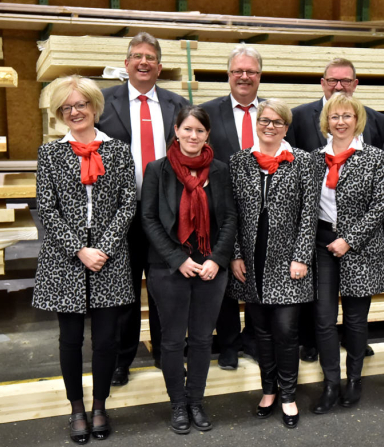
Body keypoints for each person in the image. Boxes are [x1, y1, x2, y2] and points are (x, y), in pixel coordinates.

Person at [33, 75, 136, 444]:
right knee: (70, 338)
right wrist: (79, 249)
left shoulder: (119, 151)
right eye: (66, 107)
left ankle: (99, 406)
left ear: (94, 106)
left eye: (80, 104)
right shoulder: (50, 153)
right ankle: (76, 408)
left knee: (107, 339)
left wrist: (104, 248)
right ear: (60, 114)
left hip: (109, 255)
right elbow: (46, 207)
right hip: (67, 256)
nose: (74, 112)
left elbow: (128, 204)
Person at [96, 32, 190, 384]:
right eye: (137, 55)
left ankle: (167, 355)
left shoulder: (177, 105)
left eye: (150, 57)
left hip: (166, 213)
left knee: (167, 286)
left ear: (159, 66)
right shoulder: (104, 103)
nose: (144, 62)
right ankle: (123, 358)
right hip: (121, 212)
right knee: (125, 288)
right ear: (127, 63)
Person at [285, 57, 384, 362]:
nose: (339, 86)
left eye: (345, 81)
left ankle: (354, 356)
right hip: (319, 236)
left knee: (356, 313)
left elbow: (383, 196)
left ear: (355, 85)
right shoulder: (300, 117)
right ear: (323, 82)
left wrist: (382, 242)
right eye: (333, 80)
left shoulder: (375, 121)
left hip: (361, 240)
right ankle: (315, 345)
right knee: (321, 306)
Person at [141, 105, 238, 434]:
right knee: (171, 342)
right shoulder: (158, 169)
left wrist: (217, 259)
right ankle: (178, 404)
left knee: (200, 340)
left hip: (211, 268)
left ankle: (196, 401)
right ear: (176, 130)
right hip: (168, 268)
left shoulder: (220, 171)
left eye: (199, 130)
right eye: (187, 129)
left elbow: (229, 220)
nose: (193, 136)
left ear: (207, 134)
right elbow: (149, 219)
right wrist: (176, 258)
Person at [228, 98, 319, 429]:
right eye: (265, 120)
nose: (270, 127)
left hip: (288, 261)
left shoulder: (303, 161)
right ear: (256, 122)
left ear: (286, 126)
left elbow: (310, 213)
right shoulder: (239, 161)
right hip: (251, 261)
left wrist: (301, 257)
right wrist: (236, 254)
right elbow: (232, 214)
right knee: (261, 331)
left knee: (285, 331)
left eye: (277, 122)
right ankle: (268, 390)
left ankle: (288, 396)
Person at [310, 93, 384, 414]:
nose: (340, 122)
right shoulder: (314, 159)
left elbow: (381, 205)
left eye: (347, 116)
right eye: (334, 116)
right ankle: (331, 382)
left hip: (360, 245)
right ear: (325, 121)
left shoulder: (374, 158)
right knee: (324, 319)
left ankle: (354, 379)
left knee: (356, 320)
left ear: (357, 119)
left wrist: (349, 239)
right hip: (322, 243)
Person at [200, 45, 265, 369]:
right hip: (220, 209)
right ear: (228, 75)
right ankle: (227, 342)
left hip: (262, 212)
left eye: (250, 71)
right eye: (238, 71)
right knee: (223, 275)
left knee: (257, 273)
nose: (244, 76)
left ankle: (253, 337)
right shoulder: (207, 113)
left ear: (259, 76)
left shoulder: (274, 113)